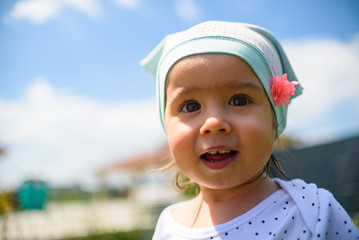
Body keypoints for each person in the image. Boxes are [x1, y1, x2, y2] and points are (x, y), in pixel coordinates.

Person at [141, 21, 359, 240]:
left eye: (239, 100)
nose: (214, 123)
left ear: (275, 118)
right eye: (190, 106)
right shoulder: (168, 226)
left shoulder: (313, 212)